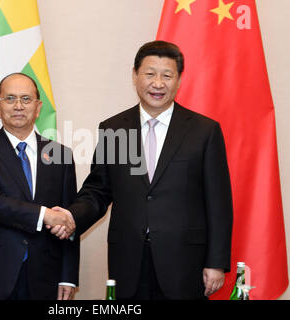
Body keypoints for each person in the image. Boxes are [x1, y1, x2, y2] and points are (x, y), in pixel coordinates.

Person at [52, 41, 233, 300]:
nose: (157, 83)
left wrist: (216, 262)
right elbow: (98, 190)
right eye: (149, 74)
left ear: (179, 80)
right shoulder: (113, 128)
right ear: (135, 75)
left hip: (184, 262)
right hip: (128, 260)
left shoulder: (204, 131)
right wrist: (72, 216)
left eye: (167, 75)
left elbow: (219, 202)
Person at [0, 73, 79, 300]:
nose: (18, 106)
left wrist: (68, 275)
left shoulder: (60, 155)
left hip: (45, 276)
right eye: (10, 98)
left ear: (38, 107)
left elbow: (67, 216)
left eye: (26, 99)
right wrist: (45, 215)